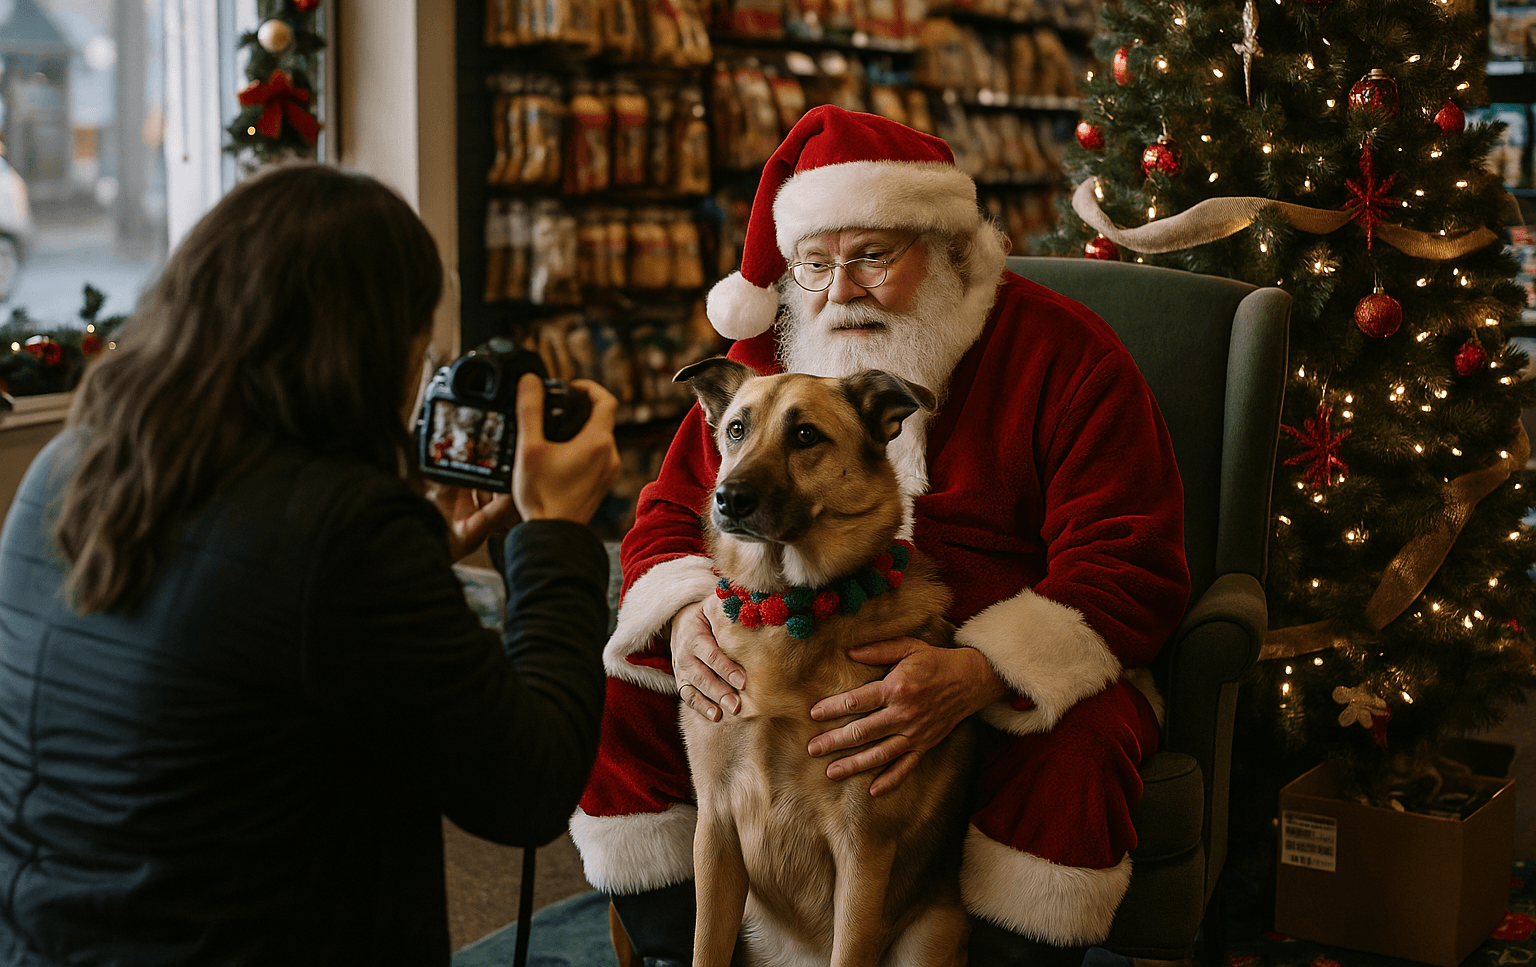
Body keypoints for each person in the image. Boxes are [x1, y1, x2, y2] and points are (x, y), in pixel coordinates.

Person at [571, 105, 1190, 966]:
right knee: (628, 692)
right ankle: (690, 947)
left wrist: (982, 671)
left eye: (872, 257)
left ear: (947, 252)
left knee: (1082, 745)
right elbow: (671, 512)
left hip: (981, 654)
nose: (839, 290)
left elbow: (1130, 556)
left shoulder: (1065, 354)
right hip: (776, 634)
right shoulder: (766, 365)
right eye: (814, 263)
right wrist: (680, 618)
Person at [0, 164, 622, 966]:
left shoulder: (70, 462)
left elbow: (229, 638)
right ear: (372, 345)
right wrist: (555, 532)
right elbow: (529, 783)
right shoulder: (341, 525)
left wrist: (418, 558)